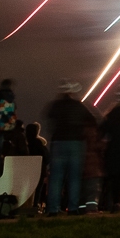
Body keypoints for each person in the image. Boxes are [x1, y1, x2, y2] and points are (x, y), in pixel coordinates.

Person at [44, 80, 96, 216]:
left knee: (56, 178)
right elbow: (93, 120)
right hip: (76, 143)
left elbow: (49, 120)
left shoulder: (55, 105)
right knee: (74, 177)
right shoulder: (79, 106)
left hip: (58, 142)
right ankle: (73, 208)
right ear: (72, 92)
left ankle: (52, 209)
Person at [25, 123, 50, 211]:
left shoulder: (26, 143)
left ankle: (28, 206)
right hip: (40, 169)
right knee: (38, 189)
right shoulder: (38, 143)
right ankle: (35, 206)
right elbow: (46, 156)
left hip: (28, 169)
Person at [81, 122, 105, 213]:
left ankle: (82, 208)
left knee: (83, 190)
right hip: (93, 167)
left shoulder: (81, 134)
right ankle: (91, 208)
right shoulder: (93, 133)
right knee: (93, 190)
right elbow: (98, 146)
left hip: (83, 167)